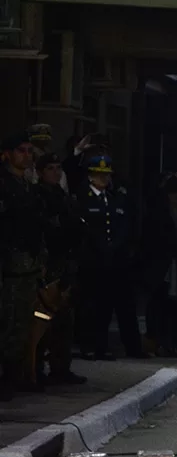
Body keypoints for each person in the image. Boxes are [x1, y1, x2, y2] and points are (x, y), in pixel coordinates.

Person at [78, 154, 144, 360]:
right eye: (99, 175)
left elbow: (126, 227)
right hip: (95, 262)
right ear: (90, 176)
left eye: (106, 175)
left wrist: (120, 247)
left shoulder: (117, 198)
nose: (104, 179)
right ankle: (94, 346)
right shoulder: (82, 198)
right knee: (96, 308)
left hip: (118, 262)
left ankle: (133, 347)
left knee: (125, 307)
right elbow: (85, 230)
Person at [0, 134, 48, 395]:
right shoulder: (5, 184)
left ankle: (16, 374)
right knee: (8, 322)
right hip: (10, 263)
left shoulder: (29, 185)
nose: (27, 156)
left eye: (30, 151)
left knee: (23, 323)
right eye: (21, 151)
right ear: (7, 154)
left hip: (28, 262)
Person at [35, 153, 86, 385]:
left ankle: (60, 367)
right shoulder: (38, 197)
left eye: (58, 168)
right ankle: (34, 369)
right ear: (41, 172)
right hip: (48, 264)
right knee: (42, 320)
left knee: (65, 320)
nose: (55, 172)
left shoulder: (64, 197)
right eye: (50, 168)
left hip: (65, 263)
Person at [143, 172, 177, 358]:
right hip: (161, 264)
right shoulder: (158, 213)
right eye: (174, 193)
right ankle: (158, 341)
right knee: (158, 304)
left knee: (173, 305)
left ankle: (171, 342)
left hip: (175, 264)